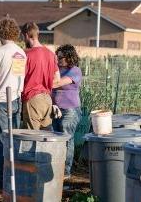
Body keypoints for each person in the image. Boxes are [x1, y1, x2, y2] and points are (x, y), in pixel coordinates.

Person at [0, 17, 26, 187]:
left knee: (1, 143)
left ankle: (2, 182)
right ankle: (13, 180)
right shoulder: (20, 52)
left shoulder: (0, 52)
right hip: (16, 99)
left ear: (0, 33)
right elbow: (16, 76)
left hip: (0, 100)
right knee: (13, 142)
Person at [20, 22, 59, 130]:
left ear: (27, 35)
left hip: (32, 98)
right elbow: (57, 78)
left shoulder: (25, 54)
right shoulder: (51, 54)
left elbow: (18, 77)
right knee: (45, 138)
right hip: (47, 99)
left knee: (31, 137)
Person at [52, 44, 82, 179]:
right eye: (57, 57)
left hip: (70, 110)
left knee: (67, 139)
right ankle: (57, 168)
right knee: (57, 139)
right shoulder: (56, 69)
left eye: (61, 57)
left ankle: (66, 171)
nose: (58, 60)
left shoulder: (75, 71)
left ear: (69, 57)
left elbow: (57, 83)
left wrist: (44, 81)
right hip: (55, 109)